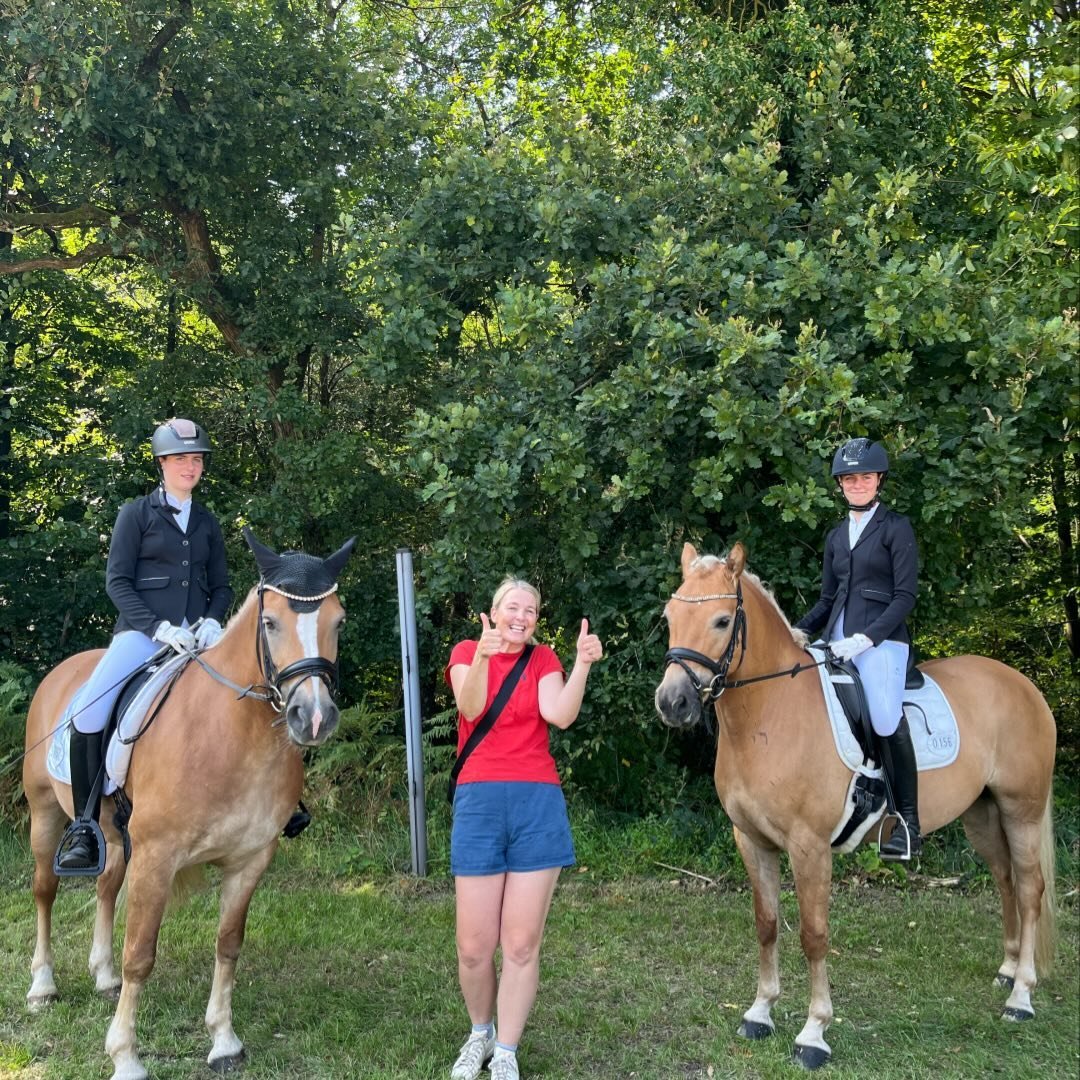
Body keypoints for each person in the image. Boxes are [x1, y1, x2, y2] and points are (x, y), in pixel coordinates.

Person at [54, 418, 233, 873]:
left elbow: (222, 586)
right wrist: (158, 628)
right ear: (162, 464)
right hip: (142, 634)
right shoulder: (135, 514)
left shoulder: (207, 522)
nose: (190, 467)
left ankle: (273, 801)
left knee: (249, 689)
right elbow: (117, 582)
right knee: (88, 711)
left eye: (196, 459)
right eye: (180, 459)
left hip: (198, 638)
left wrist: (213, 620)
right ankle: (84, 828)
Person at [445, 578, 603, 1080]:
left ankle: (506, 1050)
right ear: (494, 612)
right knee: (473, 947)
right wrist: (485, 656)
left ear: (536, 620)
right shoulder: (467, 652)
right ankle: (480, 1033)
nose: (521, 616)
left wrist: (582, 664)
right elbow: (470, 708)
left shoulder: (543, 660)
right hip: (479, 803)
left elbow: (559, 715)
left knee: (520, 943)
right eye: (513, 607)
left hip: (537, 804)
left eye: (530, 610)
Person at [794, 437, 921, 860]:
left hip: (881, 642)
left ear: (878, 480)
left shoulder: (895, 528)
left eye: (865, 477)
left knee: (884, 717)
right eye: (850, 479)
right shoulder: (836, 536)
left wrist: (867, 638)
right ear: (840, 485)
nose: (858, 484)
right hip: (836, 641)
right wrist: (796, 631)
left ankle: (907, 823)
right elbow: (828, 599)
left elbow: (905, 596)